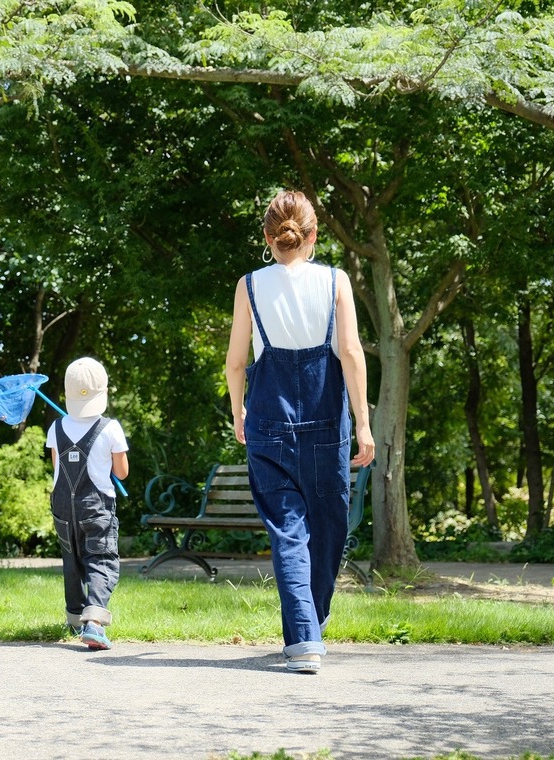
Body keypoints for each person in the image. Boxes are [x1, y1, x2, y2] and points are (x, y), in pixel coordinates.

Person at [225, 189, 375, 674]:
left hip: (267, 416)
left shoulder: (249, 285)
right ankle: (308, 634)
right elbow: (351, 354)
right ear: (312, 236)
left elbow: (236, 362)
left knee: (289, 532)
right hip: (328, 420)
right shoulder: (336, 282)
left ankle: (306, 633)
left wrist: (237, 412)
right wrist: (364, 425)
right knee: (329, 529)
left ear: (268, 238)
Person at [45, 357, 130, 650]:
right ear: (103, 392)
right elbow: (121, 472)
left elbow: (57, 466)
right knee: (101, 560)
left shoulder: (56, 427)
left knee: (72, 559)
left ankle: (73, 618)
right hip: (96, 507)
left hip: (63, 507)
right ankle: (93, 623)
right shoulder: (110, 428)